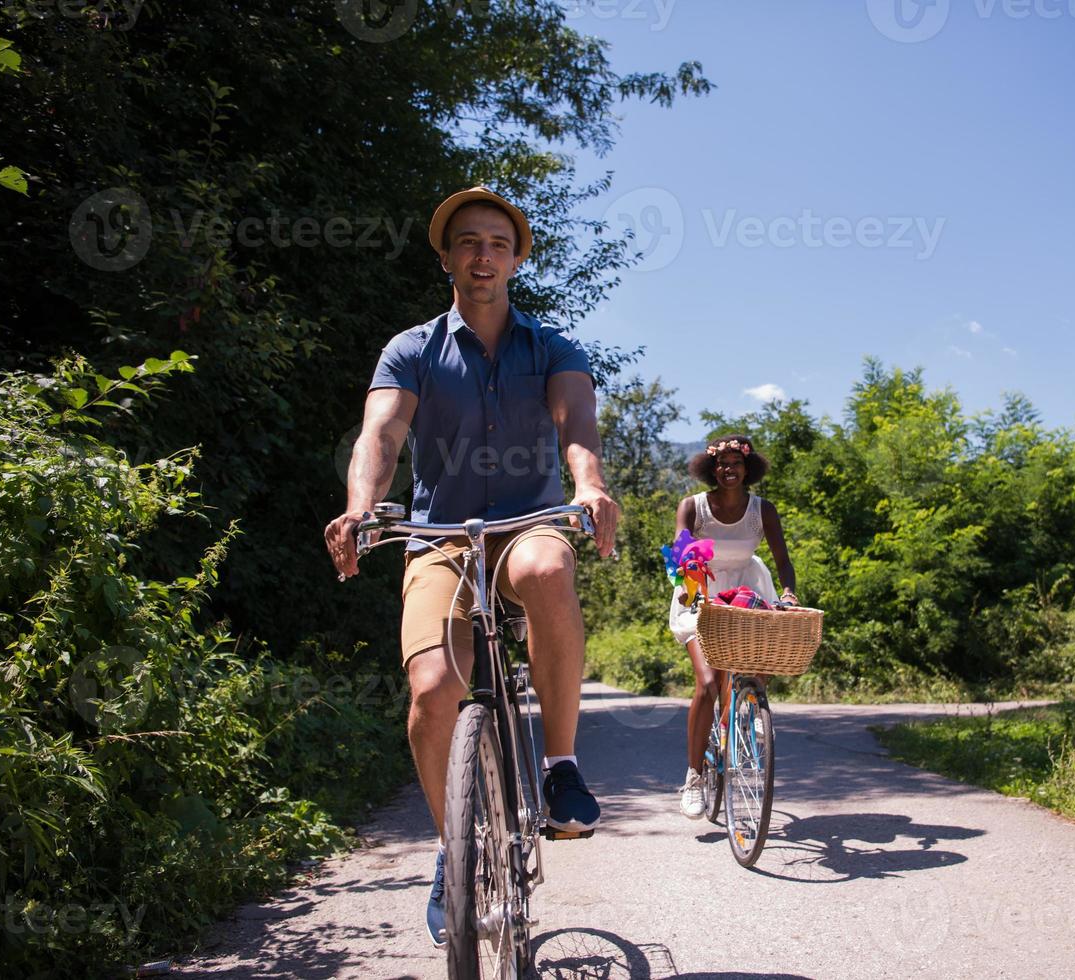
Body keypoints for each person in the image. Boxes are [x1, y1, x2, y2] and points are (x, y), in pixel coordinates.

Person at [323, 186, 619, 947]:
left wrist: (588, 487)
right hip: (439, 536)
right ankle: (455, 851)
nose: (481, 254)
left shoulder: (553, 345)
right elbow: (381, 436)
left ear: (516, 258)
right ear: (447, 257)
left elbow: (576, 424)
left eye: (496, 242)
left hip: (527, 526)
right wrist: (361, 506)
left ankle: (559, 766)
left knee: (550, 573)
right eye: (467, 242)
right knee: (431, 689)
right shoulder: (412, 349)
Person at [669, 435, 797, 819]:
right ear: (711, 468)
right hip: (700, 592)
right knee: (708, 684)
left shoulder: (763, 510)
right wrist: (692, 588)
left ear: (748, 468)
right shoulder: (693, 507)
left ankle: (746, 711)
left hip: (747, 589)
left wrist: (788, 595)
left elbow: (783, 563)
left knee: (758, 661)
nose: (729, 469)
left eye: (736, 463)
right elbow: (679, 554)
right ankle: (693, 776)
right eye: (722, 463)